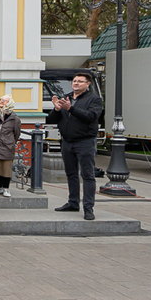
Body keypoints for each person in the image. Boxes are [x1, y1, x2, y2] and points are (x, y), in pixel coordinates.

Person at [47, 72, 103, 221]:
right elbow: (52, 119)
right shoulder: (67, 97)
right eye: (74, 81)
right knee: (71, 174)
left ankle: (88, 207)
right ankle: (73, 203)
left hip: (85, 141)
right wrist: (57, 109)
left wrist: (70, 108)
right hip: (67, 141)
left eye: (80, 81)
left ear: (88, 84)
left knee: (87, 175)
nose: (76, 83)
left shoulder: (94, 99)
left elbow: (91, 117)